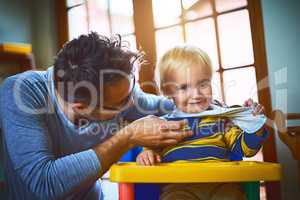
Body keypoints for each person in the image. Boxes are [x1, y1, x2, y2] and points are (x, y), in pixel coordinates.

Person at [0, 33, 194, 200]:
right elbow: (44, 183)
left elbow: (168, 106)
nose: (133, 104)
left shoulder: (119, 91)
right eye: (123, 102)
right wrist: (128, 136)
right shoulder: (21, 93)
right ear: (81, 106)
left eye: (131, 91)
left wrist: (206, 104)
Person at [136, 45, 268, 200]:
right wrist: (146, 154)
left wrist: (255, 125)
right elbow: (149, 150)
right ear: (168, 92)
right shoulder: (163, 126)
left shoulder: (221, 119)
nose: (196, 94)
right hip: (179, 188)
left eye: (203, 84)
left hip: (222, 185)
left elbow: (247, 150)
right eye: (184, 87)